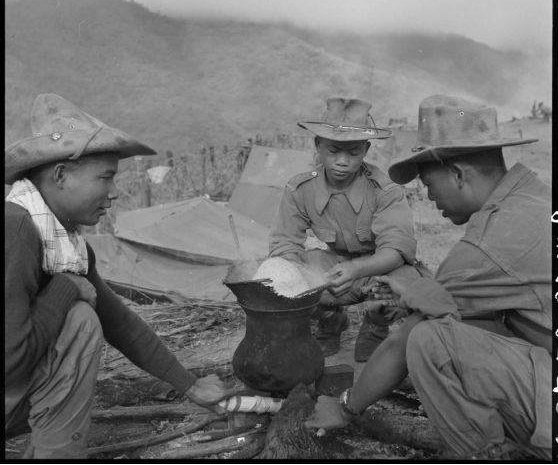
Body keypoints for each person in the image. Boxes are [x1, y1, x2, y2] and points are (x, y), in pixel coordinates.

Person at [305, 95, 551, 460]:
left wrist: (345, 407)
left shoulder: (488, 244)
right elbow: (472, 301)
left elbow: (406, 339)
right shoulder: (535, 198)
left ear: (458, 174)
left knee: (428, 340)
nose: (430, 198)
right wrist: (418, 294)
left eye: (428, 184)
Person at [5, 94, 232, 459]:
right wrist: (65, 289)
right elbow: (9, 361)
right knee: (80, 322)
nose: (114, 193)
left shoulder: (67, 244)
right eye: (106, 177)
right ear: (62, 175)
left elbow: (120, 323)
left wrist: (190, 386)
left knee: (86, 315)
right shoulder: (16, 230)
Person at [269, 97, 423, 360]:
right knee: (284, 273)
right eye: (333, 151)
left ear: (365, 149)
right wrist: (311, 277)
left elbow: (396, 249)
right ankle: (330, 320)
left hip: (376, 269)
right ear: (318, 145)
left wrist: (356, 269)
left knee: (408, 280)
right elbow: (284, 245)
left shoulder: (384, 190)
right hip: (335, 270)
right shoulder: (299, 189)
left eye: (353, 153)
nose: (342, 161)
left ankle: (376, 324)